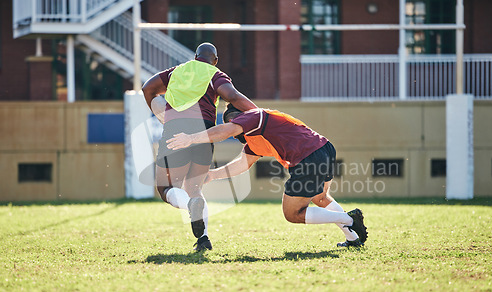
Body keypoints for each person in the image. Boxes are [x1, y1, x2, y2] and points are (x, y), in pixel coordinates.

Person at [166, 104, 368, 247]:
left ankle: (349, 219)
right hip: (323, 148)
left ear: (239, 117)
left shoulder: (254, 116)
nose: (236, 131)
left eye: (234, 123)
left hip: (307, 157)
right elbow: (242, 164)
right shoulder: (256, 139)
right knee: (320, 197)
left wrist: (191, 138)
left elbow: (226, 130)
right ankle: (352, 238)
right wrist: (212, 175)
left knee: (293, 213)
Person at [142, 43, 257, 251]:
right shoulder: (215, 74)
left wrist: (160, 112)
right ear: (215, 60)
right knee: (194, 188)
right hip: (204, 135)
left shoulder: (177, 72)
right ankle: (203, 239)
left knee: (165, 187)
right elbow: (232, 96)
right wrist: (258, 112)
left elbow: (147, 88)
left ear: (195, 57)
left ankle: (189, 207)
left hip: (176, 131)